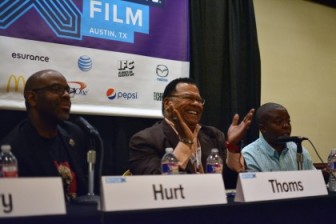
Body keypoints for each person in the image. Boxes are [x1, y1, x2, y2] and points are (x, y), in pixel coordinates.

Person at [129, 77, 255, 188]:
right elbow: (156, 185)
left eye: (199, 100)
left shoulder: (213, 135)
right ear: (168, 103)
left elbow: (231, 184)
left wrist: (232, 146)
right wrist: (185, 143)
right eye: (189, 98)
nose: (196, 104)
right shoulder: (145, 140)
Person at [0, 69, 90, 201]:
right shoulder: (14, 149)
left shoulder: (75, 134)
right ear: (32, 98)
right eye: (56, 89)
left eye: (67, 90)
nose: (66, 95)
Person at [242, 102, 315, 172]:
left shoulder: (298, 150)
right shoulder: (250, 155)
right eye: (279, 122)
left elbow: (313, 180)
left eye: (288, 121)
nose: (286, 125)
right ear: (263, 128)